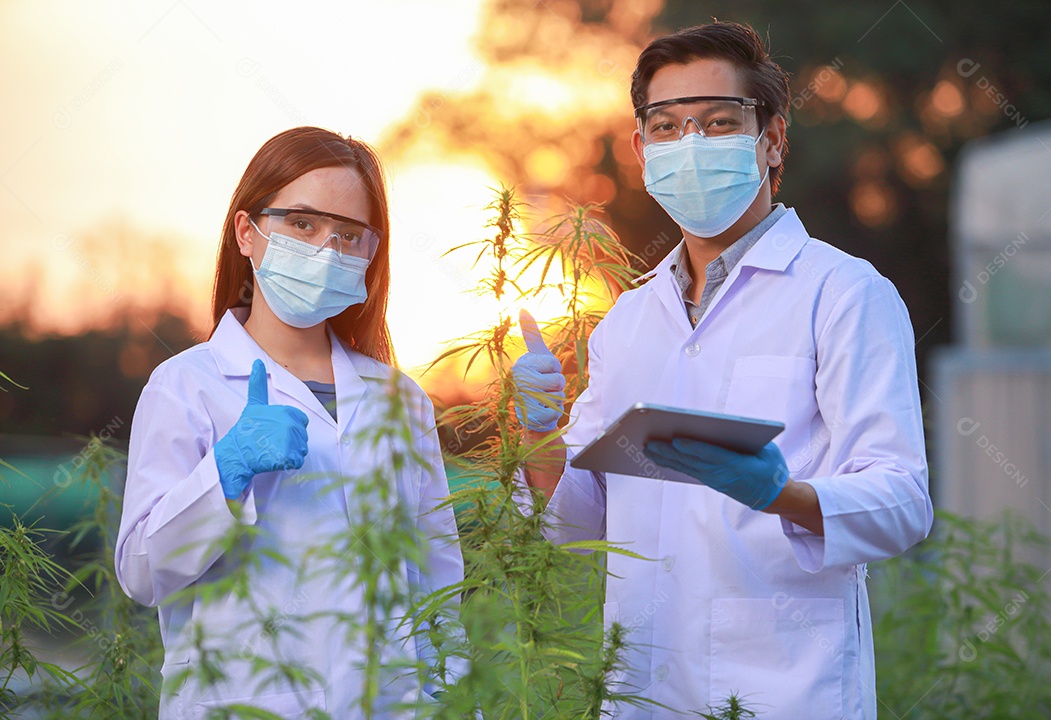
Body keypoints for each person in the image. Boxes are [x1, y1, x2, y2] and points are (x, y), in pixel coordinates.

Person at [512, 22, 933, 719]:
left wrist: (783, 495)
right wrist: (539, 437)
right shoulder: (628, 321)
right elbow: (578, 523)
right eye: (668, 127)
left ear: (771, 141)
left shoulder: (842, 292)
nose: (692, 145)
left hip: (788, 690)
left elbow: (901, 503)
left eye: (717, 122)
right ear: (643, 150)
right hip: (640, 692)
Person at [115, 127, 464, 718]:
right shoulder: (187, 385)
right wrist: (225, 473)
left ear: (369, 256)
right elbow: (143, 573)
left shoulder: (400, 401)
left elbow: (436, 584)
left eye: (348, 234)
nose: (326, 249)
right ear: (248, 233)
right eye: (303, 224)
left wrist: (458, 705)